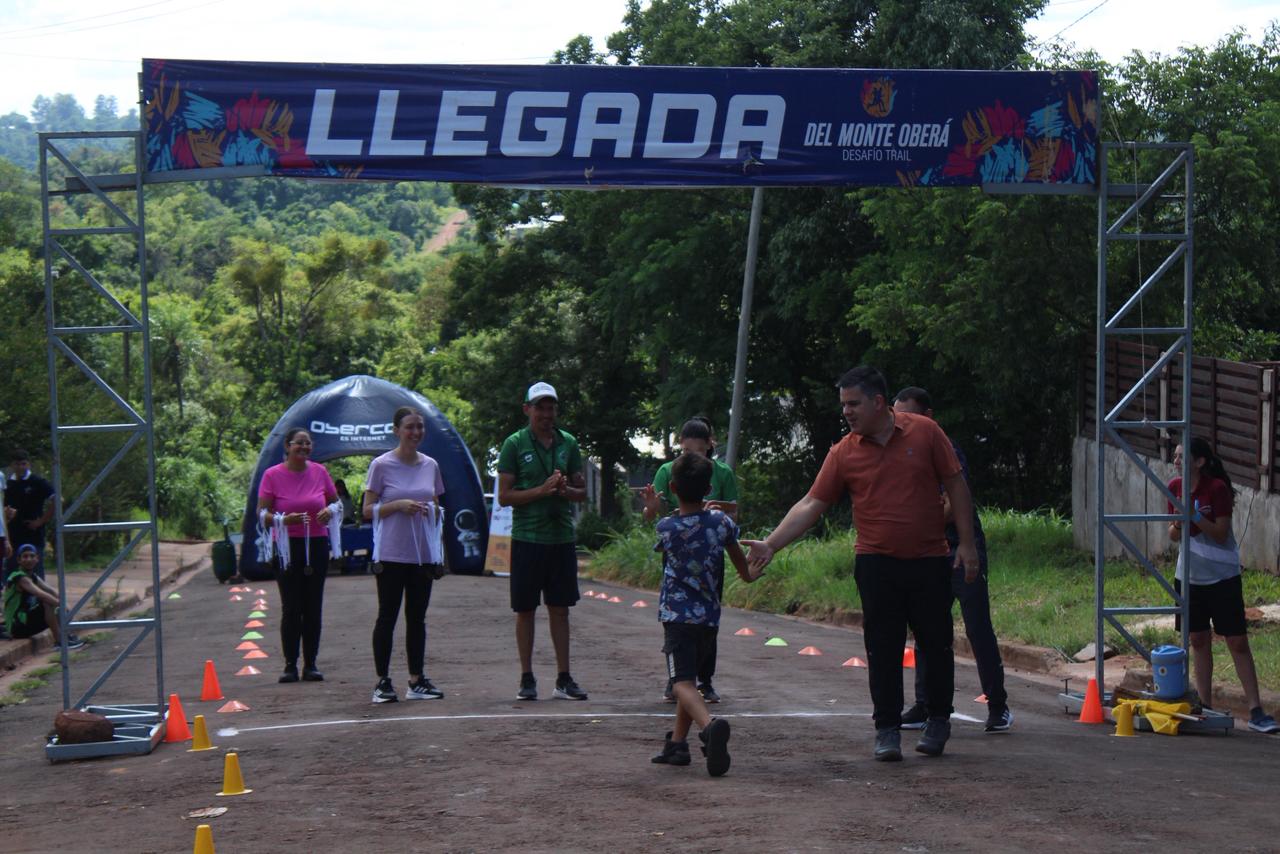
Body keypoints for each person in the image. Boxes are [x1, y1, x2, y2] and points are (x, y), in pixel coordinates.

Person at [743, 366, 979, 761]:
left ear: (878, 402)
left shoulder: (925, 433)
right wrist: (771, 544)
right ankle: (886, 729)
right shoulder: (844, 452)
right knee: (882, 648)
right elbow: (812, 503)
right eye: (843, 405)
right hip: (876, 564)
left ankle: (938, 720)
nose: (846, 412)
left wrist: (967, 545)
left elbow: (956, 484)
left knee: (935, 645)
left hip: (929, 560)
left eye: (853, 404)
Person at [893, 387, 1012, 733]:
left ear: (929, 418)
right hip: (927, 552)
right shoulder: (901, 451)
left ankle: (998, 706)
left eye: (910, 416)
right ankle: (924, 705)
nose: (903, 423)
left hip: (961, 549)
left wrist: (914, 520)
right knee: (927, 629)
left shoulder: (945, 448)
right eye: (899, 417)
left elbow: (951, 503)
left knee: (977, 628)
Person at [649, 452, 758, 776]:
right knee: (692, 680)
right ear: (709, 488)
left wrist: (653, 509)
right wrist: (750, 575)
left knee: (679, 681)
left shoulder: (667, 527)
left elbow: (669, 534)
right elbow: (738, 558)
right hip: (709, 616)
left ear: (671, 487)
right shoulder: (722, 522)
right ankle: (677, 745)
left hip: (678, 616)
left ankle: (710, 728)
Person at [1167, 437, 1279, 733]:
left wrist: (1195, 517)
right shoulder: (1175, 487)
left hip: (1222, 577)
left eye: (1182, 456)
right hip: (1188, 576)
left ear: (1200, 461)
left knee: (1237, 641)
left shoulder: (1216, 489)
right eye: (1175, 456)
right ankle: (1205, 707)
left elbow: (1219, 533)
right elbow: (1172, 535)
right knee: (1198, 640)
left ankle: (1256, 710)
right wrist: (1180, 521)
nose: (1176, 461)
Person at [497, 381, 589, 702]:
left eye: (551, 408)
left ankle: (564, 678)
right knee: (525, 610)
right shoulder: (514, 444)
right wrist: (543, 490)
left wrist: (564, 491)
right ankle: (527, 677)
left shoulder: (569, 443)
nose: (547, 414)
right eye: (540, 408)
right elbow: (505, 497)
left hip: (561, 538)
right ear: (527, 410)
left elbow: (582, 492)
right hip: (528, 538)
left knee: (560, 609)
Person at [642, 416, 740, 704]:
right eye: (687, 453)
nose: (693, 460)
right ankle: (679, 678)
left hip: (710, 558)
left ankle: (704, 680)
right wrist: (651, 508)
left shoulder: (721, 473)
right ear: (679, 447)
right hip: (678, 556)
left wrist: (712, 512)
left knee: (708, 619)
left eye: (700, 453)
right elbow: (652, 518)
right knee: (675, 619)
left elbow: (733, 514)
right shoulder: (666, 471)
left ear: (710, 447)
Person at [363, 406, 448, 704]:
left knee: (417, 618)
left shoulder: (431, 465)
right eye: (410, 427)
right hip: (391, 553)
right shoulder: (381, 465)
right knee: (387, 616)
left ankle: (416, 680)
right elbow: (367, 510)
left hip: (422, 554)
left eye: (420, 427)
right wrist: (397, 505)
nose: (415, 432)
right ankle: (382, 682)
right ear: (396, 430)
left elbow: (437, 505)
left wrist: (431, 510)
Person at [258, 427, 338, 684]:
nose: (304, 448)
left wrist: (330, 511)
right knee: (291, 606)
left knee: (313, 606)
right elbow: (262, 514)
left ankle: (311, 664)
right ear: (287, 447)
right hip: (286, 547)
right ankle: (290, 665)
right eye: (298, 444)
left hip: (315, 544)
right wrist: (283, 519)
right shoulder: (272, 475)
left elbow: (336, 502)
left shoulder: (320, 472)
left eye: (307, 444)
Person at [3, 544, 83, 649]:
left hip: (26, 621)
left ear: (37, 559)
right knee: (48, 603)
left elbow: (50, 590)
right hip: (17, 627)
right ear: (19, 560)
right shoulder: (20, 578)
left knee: (54, 603)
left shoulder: (33, 576)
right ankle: (60, 641)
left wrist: (64, 603)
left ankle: (67, 636)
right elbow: (42, 595)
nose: (29, 559)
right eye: (25, 556)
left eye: (32, 556)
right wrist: (62, 606)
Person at [5, 449, 55, 580]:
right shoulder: (8, 483)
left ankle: (38, 600)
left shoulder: (38, 482)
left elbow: (57, 500)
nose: (20, 467)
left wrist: (41, 521)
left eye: (23, 464)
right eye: (17, 464)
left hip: (33, 534)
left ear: (28, 465)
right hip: (13, 534)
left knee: (35, 573)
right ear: (12, 465)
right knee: (12, 573)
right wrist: (6, 514)